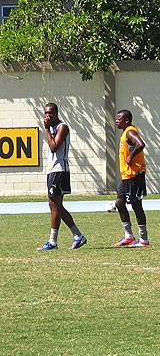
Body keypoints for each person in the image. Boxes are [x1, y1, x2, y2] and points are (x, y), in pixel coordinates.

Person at [37, 103, 87, 251]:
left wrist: (46, 129)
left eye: (50, 113)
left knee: (54, 205)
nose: (47, 116)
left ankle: (53, 241)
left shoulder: (62, 127)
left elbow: (54, 147)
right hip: (52, 170)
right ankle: (78, 236)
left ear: (57, 113)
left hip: (59, 170)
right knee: (56, 206)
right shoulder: (51, 128)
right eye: (45, 113)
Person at [113, 109, 149, 247]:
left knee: (136, 205)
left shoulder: (130, 131)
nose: (117, 121)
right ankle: (129, 236)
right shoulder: (124, 133)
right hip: (126, 176)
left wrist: (131, 156)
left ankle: (143, 239)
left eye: (119, 119)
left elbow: (141, 144)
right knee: (119, 204)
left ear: (126, 120)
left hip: (134, 175)